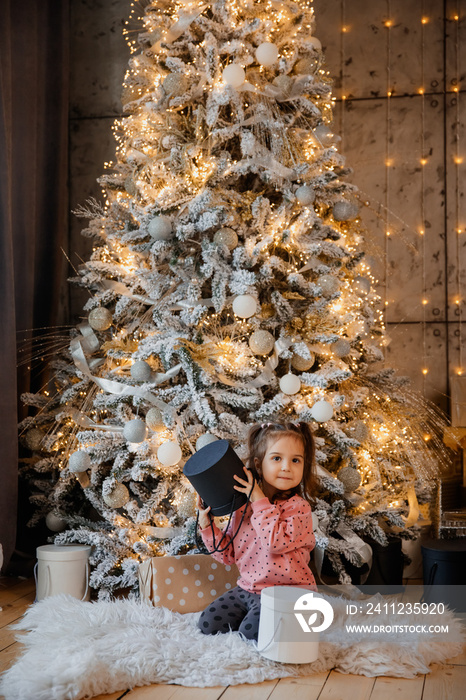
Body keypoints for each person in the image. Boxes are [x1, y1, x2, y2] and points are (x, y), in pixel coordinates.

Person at [196, 420, 317, 641]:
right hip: (248, 589)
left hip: (288, 594)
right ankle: (252, 615)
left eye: (296, 460)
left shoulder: (299, 509)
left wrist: (259, 499)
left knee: (251, 633)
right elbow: (227, 555)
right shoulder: (244, 508)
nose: (286, 467)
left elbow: (275, 542)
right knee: (208, 624)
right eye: (277, 458)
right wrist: (207, 527)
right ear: (259, 465)